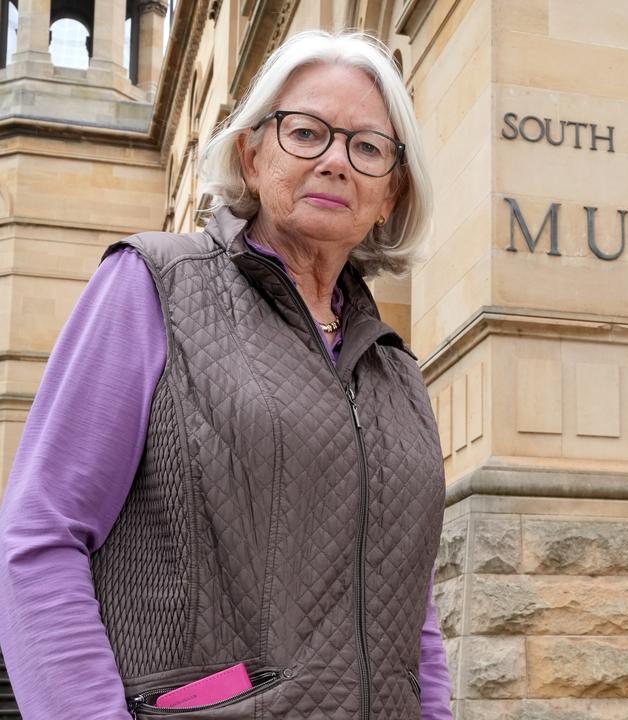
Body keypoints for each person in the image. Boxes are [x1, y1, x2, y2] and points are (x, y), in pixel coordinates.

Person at [0, 31, 451, 719]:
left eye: (367, 147)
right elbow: (40, 538)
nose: (336, 161)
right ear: (252, 151)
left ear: (391, 192)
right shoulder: (153, 284)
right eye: (307, 132)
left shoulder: (394, 365)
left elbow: (409, 606)